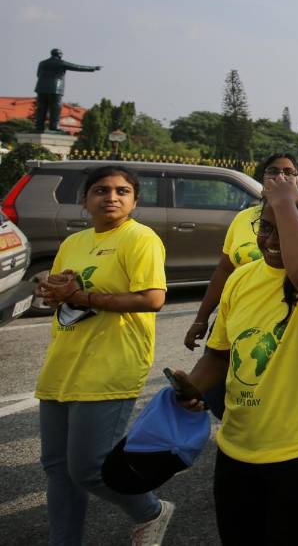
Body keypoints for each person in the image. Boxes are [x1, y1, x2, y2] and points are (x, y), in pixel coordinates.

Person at [172, 180, 298, 545]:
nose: (271, 240)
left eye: (283, 229)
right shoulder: (241, 278)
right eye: (265, 227)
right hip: (238, 449)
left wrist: (284, 201)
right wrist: (192, 388)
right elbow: (219, 354)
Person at [34, 165, 174, 545]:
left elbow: (153, 299)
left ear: (134, 200)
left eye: (121, 191)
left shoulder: (139, 238)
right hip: (64, 362)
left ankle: (151, 511)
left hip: (111, 364)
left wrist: (82, 296)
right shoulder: (73, 243)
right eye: (101, 190)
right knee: (57, 468)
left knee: (89, 468)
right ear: (85, 200)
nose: (111, 197)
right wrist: (54, 291)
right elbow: (63, 298)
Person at [184, 153, 298, 351]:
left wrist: (285, 206)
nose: (280, 177)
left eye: (288, 172)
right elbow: (224, 270)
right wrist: (201, 318)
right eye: (273, 171)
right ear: (262, 178)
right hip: (240, 310)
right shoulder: (243, 218)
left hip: (289, 318)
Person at [33, 48, 100, 132]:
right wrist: (93, 68)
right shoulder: (61, 62)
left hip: (41, 87)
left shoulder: (42, 63)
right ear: (60, 55)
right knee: (55, 107)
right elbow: (77, 67)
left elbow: (38, 74)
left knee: (41, 107)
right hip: (56, 88)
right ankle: (54, 126)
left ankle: (39, 126)